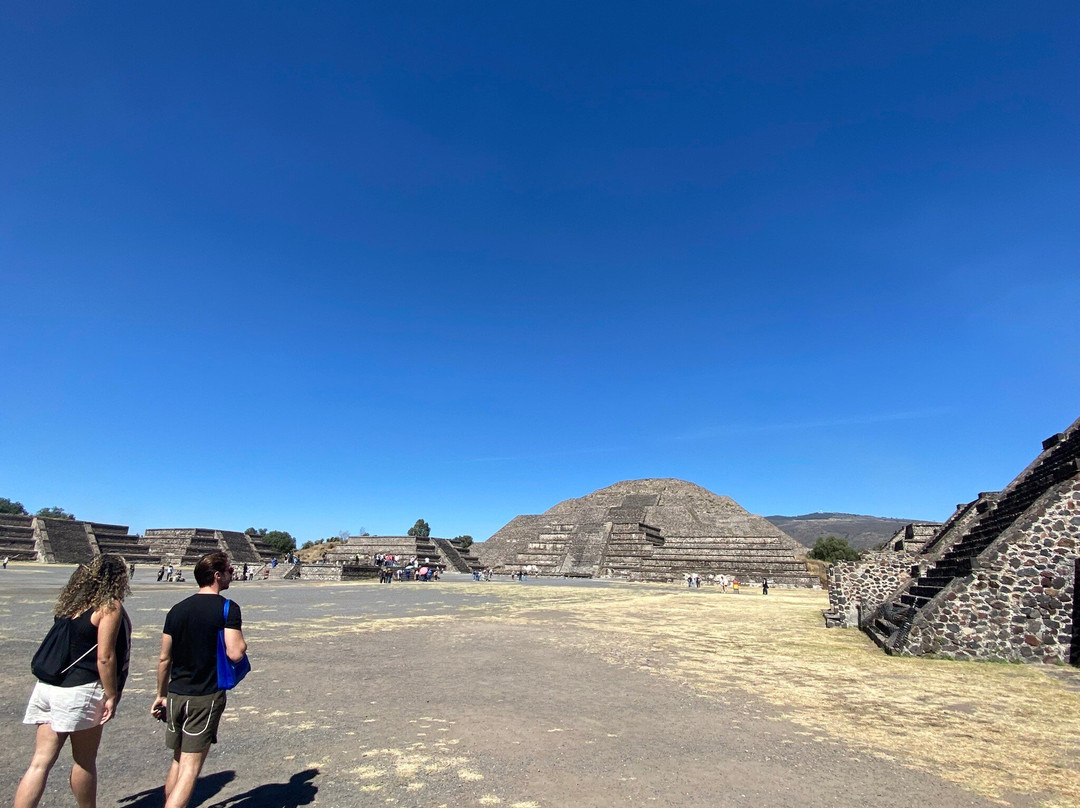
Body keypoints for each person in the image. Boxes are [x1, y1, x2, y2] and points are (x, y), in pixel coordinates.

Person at [15, 554, 131, 808]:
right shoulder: (108, 606)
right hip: (80, 690)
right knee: (84, 761)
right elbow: (105, 657)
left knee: (40, 762)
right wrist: (111, 694)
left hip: (48, 686)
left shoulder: (73, 603)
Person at [152, 552, 247, 808]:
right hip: (204, 696)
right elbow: (235, 652)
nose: (232, 574)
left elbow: (164, 658)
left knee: (177, 761)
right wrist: (243, 645)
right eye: (229, 570)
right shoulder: (228, 608)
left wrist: (161, 695)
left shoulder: (177, 610)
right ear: (217, 575)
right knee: (190, 769)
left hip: (175, 693)